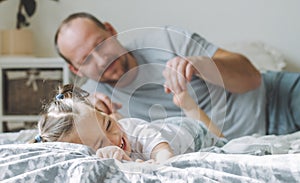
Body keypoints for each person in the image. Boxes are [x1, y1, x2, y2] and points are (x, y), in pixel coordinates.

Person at [54, 12, 300, 140]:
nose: (101, 60)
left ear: (111, 30)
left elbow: (252, 77)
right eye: (86, 59)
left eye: (101, 44)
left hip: (277, 99)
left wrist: (202, 64)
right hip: (239, 144)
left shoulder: (166, 39)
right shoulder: (94, 104)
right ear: (76, 70)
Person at [31, 84, 226, 164]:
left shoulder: (138, 132)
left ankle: (187, 105)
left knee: (221, 140)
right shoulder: (99, 158)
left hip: (189, 133)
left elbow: (165, 158)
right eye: (99, 145)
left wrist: (148, 166)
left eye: (108, 125)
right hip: (160, 127)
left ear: (103, 114)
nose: (113, 140)